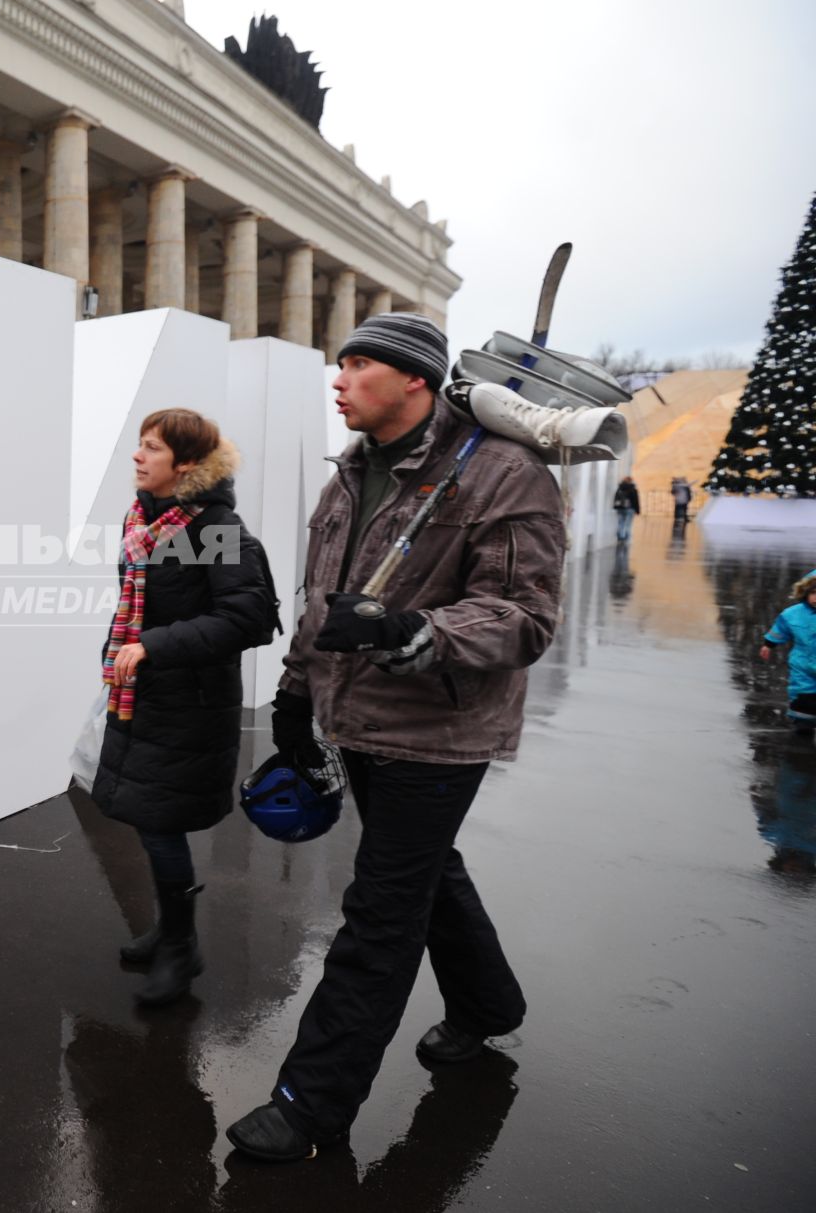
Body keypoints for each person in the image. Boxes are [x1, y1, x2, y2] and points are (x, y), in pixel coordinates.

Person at [226, 312, 566, 1163]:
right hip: (356, 715)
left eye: (359, 363)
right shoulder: (347, 477)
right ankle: (488, 1004)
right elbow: (321, 598)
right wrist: (297, 695)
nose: (338, 379)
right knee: (423, 870)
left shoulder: (502, 473)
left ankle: (310, 1104)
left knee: (382, 909)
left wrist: (419, 630)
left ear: (415, 378)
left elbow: (524, 617)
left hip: (440, 727)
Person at [89, 408, 279, 1007]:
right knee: (150, 819)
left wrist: (151, 646)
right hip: (148, 693)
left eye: (151, 448)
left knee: (161, 822)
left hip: (189, 704)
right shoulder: (145, 518)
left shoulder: (214, 527)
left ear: (187, 463)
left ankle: (181, 947)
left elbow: (249, 617)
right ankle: (171, 932)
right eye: (139, 446)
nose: (138, 457)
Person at [761, 571, 816, 739]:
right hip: (803, 664)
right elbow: (781, 629)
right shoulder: (794, 613)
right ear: (805, 592)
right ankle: (803, 723)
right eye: (814, 593)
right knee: (802, 694)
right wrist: (769, 644)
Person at [612, 474, 640, 542]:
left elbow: (616, 497)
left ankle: (620, 535)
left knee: (621, 522)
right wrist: (637, 510)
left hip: (620, 507)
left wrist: (615, 506)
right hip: (630, 508)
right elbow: (635, 500)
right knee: (628, 523)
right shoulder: (632, 488)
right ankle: (625, 535)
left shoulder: (620, 487)